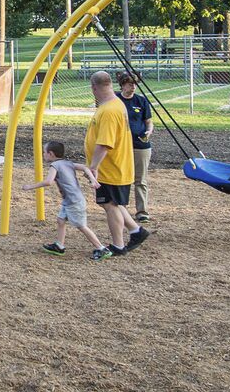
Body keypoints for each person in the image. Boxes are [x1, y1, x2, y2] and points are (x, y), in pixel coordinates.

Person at [85, 70, 145, 254]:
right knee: (113, 203)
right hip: (114, 166)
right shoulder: (114, 104)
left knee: (110, 205)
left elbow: (104, 144)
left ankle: (118, 246)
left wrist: (93, 167)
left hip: (111, 167)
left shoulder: (110, 110)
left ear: (94, 88)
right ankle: (136, 231)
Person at [39, 141, 112, 259]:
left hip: (73, 202)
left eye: (44, 152)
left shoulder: (55, 166)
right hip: (70, 200)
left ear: (51, 154)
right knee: (61, 220)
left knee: (81, 226)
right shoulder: (67, 163)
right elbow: (84, 168)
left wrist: (30, 186)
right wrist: (93, 179)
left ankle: (101, 248)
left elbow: (48, 182)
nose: (43, 154)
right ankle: (59, 245)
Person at [116, 72, 154, 222]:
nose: (133, 87)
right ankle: (121, 208)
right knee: (121, 178)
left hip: (140, 145)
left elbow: (149, 121)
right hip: (120, 146)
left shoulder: (141, 101)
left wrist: (149, 131)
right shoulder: (115, 100)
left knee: (141, 179)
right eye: (130, 83)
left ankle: (142, 211)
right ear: (123, 84)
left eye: (135, 84)